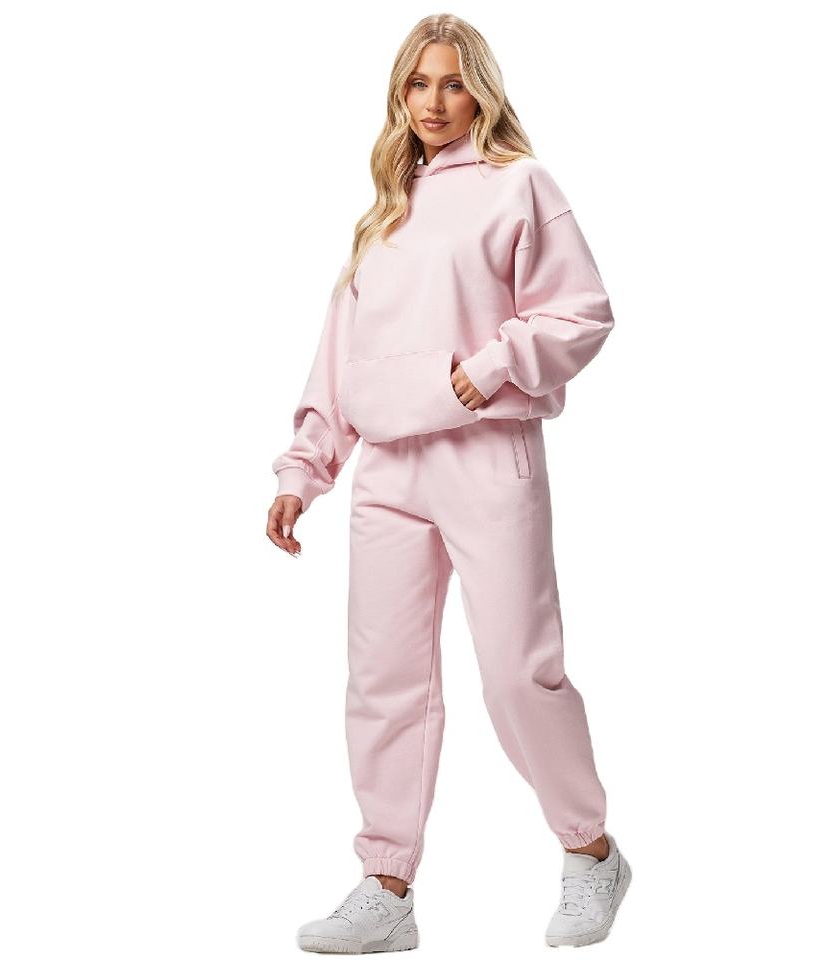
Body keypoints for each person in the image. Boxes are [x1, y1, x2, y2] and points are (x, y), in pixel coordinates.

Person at [266, 14, 632, 953]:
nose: (435, 102)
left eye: (454, 82)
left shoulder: (520, 184)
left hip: (485, 453)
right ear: (400, 94)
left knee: (517, 673)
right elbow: (340, 359)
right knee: (384, 681)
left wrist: (486, 369)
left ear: (483, 91)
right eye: (419, 84)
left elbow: (582, 311)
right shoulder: (386, 211)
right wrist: (305, 470)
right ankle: (387, 884)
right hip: (388, 470)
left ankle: (590, 851)